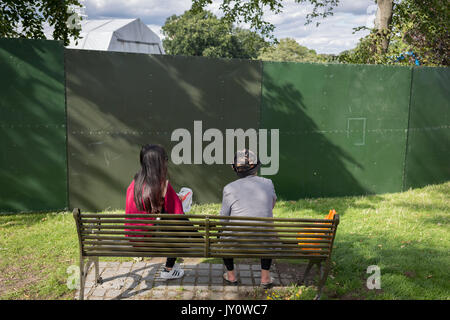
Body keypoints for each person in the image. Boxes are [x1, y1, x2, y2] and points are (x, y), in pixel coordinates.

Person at [125, 144, 185, 280]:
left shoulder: (134, 184)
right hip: (153, 243)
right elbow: (179, 217)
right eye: (165, 159)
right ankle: (169, 269)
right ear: (160, 163)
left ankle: (170, 267)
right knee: (177, 227)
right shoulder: (163, 185)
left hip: (134, 240)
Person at [219, 149, 277, 288]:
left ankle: (231, 276)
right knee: (267, 232)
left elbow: (223, 219)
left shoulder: (229, 188)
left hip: (236, 240)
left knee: (223, 235)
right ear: (257, 167)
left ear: (236, 169)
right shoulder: (268, 183)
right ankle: (265, 278)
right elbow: (271, 204)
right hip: (264, 240)